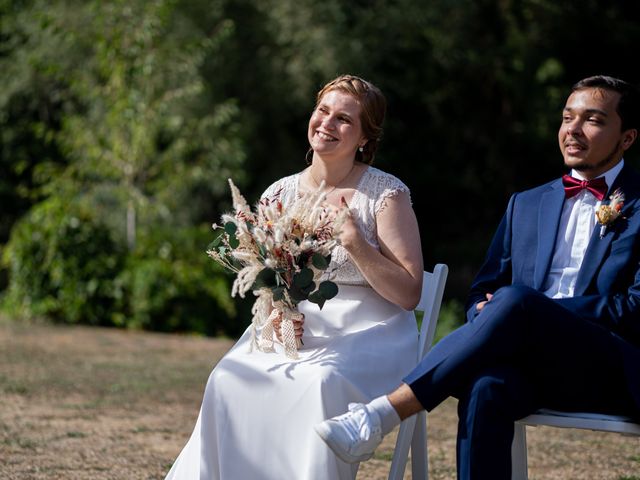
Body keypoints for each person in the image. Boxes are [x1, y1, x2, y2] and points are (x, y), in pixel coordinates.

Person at [315, 75, 640, 479]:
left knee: (518, 301)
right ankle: (377, 417)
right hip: (533, 367)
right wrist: (492, 310)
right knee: (485, 386)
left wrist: (534, 312)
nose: (572, 130)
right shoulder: (526, 203)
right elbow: (482, 291)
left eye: (593, 120)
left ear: (626, 139)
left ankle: (382, 413)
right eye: (566, 117)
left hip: (610, 370)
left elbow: (634, 307)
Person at [164, 74, 424, 480]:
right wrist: (278, 313)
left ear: (364, 139)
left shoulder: (385, 194)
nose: (327, 123)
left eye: (344, 119)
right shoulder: (279, 194)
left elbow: (409, 294)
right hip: (294, 327)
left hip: (373, 332)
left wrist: (356, 242)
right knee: (225, 377)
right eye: (323, 111)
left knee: (317, 381)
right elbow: (267, 277)